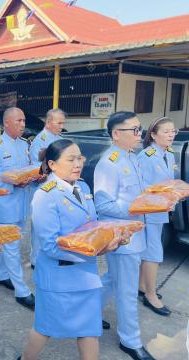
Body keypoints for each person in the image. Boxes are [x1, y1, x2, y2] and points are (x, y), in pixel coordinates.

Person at [20, 139, 120, 360]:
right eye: (71, 159)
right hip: (58, 278)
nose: (78, 163)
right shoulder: (45, 195)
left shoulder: (82, 186)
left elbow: (91, 226)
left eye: (80, 158)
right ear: (53, 165)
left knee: (90, 331)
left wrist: (110, 235)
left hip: (86, 277)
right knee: (44, 329)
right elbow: (50, 246)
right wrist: (95, 250)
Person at [94, 111, 155, 360]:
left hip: (136, 233)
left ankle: (88, 314)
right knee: (128, 290)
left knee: (112, 279)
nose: (139, 135)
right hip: (122, 238)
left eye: (140, 129)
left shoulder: (131, 157)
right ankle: (130, 341)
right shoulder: (109, 163)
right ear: (116, 134)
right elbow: (103, 204)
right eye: (134, 130)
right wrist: (138, 208)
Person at [0, 107, 35, 309]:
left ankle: (0, 274)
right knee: (12, 248)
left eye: (23, 120)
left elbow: (27, 169)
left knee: (10, 244)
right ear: (6, 123)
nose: (23, 124)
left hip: (22, 203)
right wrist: (9, 181)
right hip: (5, 204)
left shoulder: (23, 145)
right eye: (18, 121)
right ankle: (22, 291)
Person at [137, 117, 176, 317]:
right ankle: (151, 295)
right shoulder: (146, 156)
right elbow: (141, 188)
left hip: (161, 209)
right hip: (149, 211)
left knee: (150, 250)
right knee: (153, 253)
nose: (171, 135)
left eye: (173, 131)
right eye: (167, 131)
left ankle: (143, 286)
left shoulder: (168, 154)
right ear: (153, 134)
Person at [28, 108, 66, 266]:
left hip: (57, 188)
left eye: (63, 123)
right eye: (59, 123)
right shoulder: (41, 140)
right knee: (40, 227)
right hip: (44, 190)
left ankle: (51, 255)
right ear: (49, 122)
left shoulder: (58, 138)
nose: (62, 126)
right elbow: (38, 169)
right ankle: (36, 261)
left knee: (54, 225)